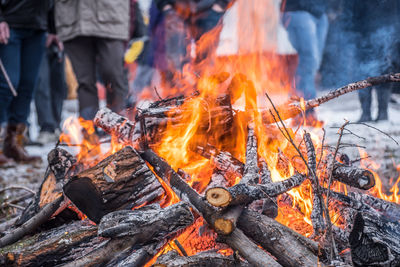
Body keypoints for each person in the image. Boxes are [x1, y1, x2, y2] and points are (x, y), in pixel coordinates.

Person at [0, 0, 61, 164]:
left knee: (27, 87)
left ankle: (14, 144)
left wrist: (53, 28)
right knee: (7, 85)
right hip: (9, 23)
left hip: (37, 27)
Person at [54, 0, 130, 121]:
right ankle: (89, 131)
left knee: (114, 75)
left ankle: (119, 126)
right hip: (73, 20)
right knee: (85, 82)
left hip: (111, 17)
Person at [154, 0, 232, 89]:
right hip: (175, 8)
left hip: (210, 9)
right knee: (176, 59)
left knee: (206, 60)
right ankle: (177, 97)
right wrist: (164, 5)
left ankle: (203, 95)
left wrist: (222, 4)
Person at [282, 0, 328, 121]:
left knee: (313, 64)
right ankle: (303, 112)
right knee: (308, 62)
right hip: (298, 11)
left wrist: (334, 7)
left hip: (320, 12)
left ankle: (300, 111)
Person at [34, 41, 67, 144]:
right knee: (41, 83)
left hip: (59, 38)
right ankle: (47, 127)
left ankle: (56, 126)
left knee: (59, 83)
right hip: (40, 34)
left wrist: (58, 34)